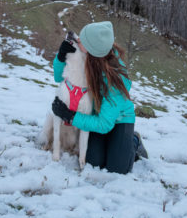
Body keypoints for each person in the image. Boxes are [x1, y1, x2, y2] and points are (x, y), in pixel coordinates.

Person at [50, 21, 147, 173]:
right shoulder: (86, 59)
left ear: (91, 51)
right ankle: (112, 144)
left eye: (82, 40)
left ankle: (134, 141)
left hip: (119, 120)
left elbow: (104, 124)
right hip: (95, 118)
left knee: (117, 168)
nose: (77, 41)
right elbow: (58, 78)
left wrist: (69, 116)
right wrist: (61, 57)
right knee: (93, 161)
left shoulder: (115, 78)